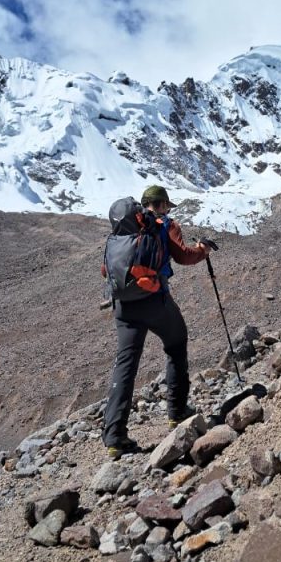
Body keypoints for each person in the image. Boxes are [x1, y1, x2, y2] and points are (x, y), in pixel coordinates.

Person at [103, 185, 211, 459]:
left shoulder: (122, 231)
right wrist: (203, 249)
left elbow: (107, 269)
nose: (168, 210)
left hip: (124, 306)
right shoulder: (164, 225)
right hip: (154, 300)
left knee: (126, 364)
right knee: (176, 343)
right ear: (161, 204)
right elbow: (183, 256)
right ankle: (176, 412)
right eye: (167, 205)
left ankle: (115, 437)